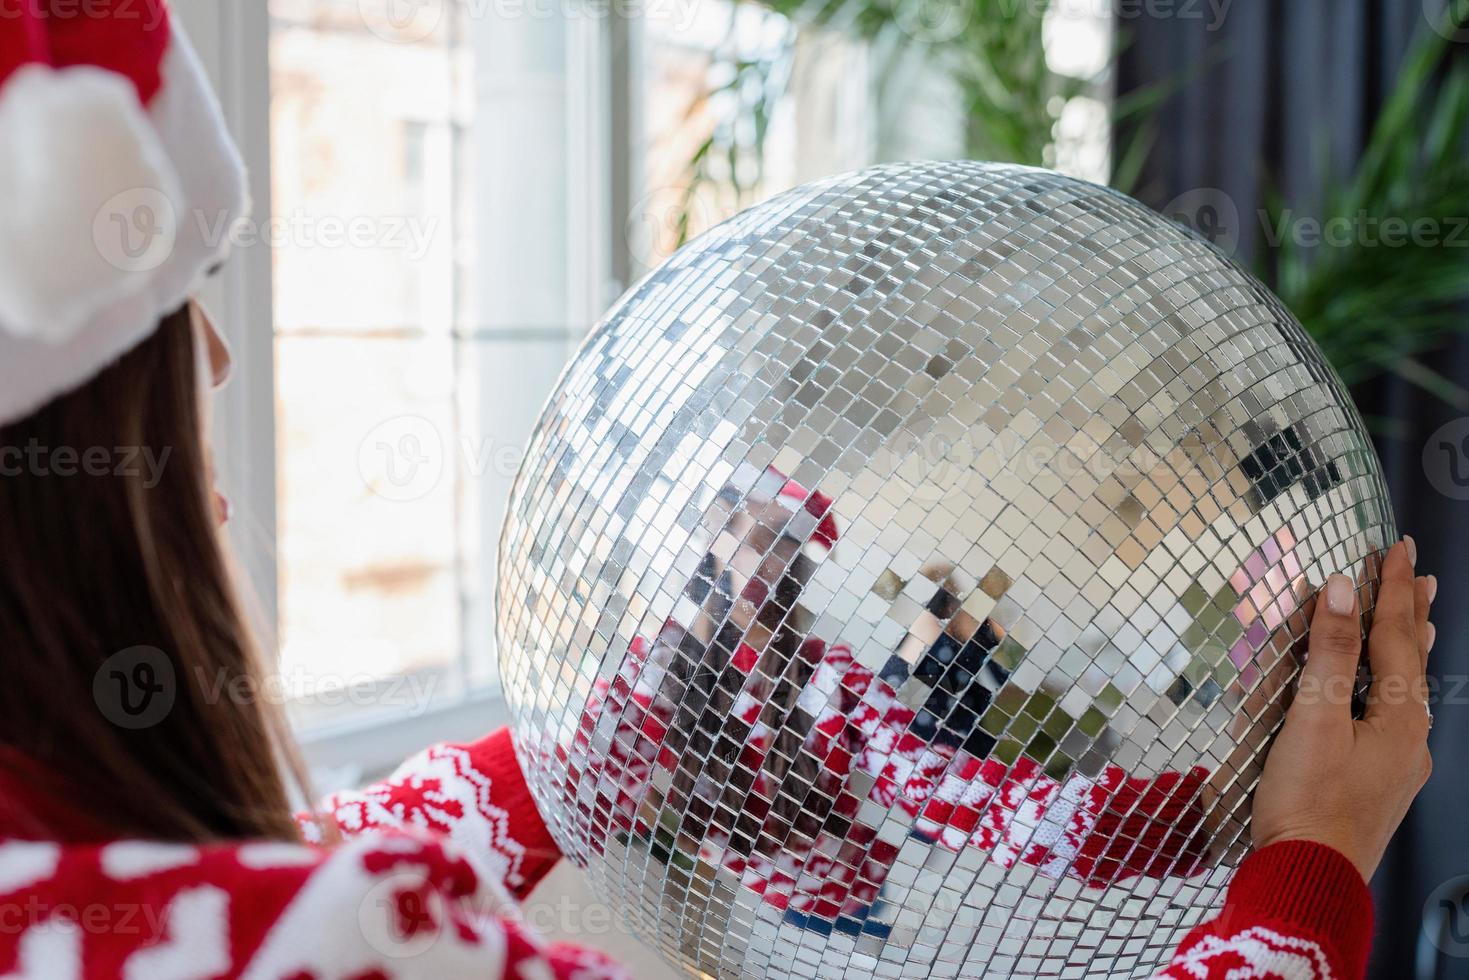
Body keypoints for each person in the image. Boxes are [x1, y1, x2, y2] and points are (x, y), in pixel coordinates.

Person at [0, 3, 1437, 978]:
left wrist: (1209, 820)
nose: (222, 358)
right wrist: (1309, 868)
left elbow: (985, 809)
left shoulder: (767, 695)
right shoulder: (331, 940)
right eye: (182, 289)